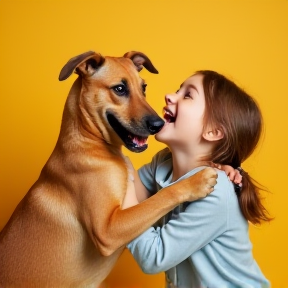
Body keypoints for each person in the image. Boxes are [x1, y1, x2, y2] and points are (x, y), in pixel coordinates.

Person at [123, 70, 271, 288]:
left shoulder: (217, 190)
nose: (169, 96)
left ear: (213, 131)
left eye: (187, 95)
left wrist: (121, 167)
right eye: (177, 90)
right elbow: (124, 201)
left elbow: (153, 256)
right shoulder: (163, 163)